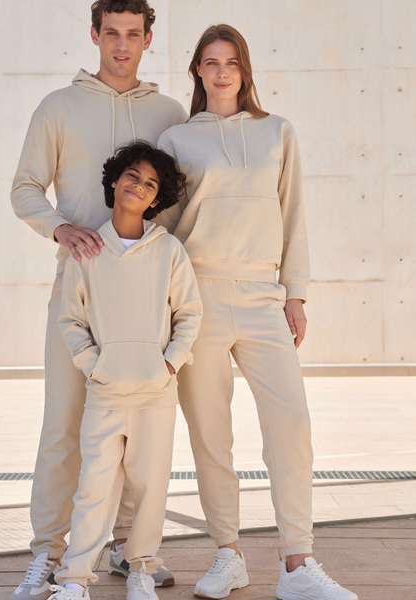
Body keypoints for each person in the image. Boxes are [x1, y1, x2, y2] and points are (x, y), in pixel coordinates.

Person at [156, 24, 358, 600]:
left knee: (291, 425)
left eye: (232, 63)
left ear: (245, 70)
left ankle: (298, 563)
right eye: (211, 63)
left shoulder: (277, 132)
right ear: (197, 70)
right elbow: (162, 228)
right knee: (210, 436)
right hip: (197, 298)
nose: (221, 73)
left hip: (263, 297)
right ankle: (228, 555)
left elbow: (293, 214)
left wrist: (295, 293)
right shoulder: (176, 140)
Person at [10, 2, 188, 598]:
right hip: (79, 286)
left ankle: (129, 548)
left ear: (148, 39)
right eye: (111, 33)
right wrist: (59, 228)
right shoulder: (58, 107)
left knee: (140, 428)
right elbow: (25, 188)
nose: (121, 45)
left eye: (133, 34)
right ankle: (48, 552)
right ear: (95, 35)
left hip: (146, 298)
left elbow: (178, 201)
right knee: (63, 423)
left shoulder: (169, 115)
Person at [47, 141, 202, 600]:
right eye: (132, 176)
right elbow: (70, 320)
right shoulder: (89, 250)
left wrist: (168, 363)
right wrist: (94, 366)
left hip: (156, 392)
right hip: (106, 390)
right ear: (114, 181)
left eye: (151, 184)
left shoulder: (168, 250)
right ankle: (75, 579)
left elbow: (190, 314)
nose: (139, 186)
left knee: (150, 488)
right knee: (93, 487)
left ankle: (141, 570)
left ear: (157, 198)